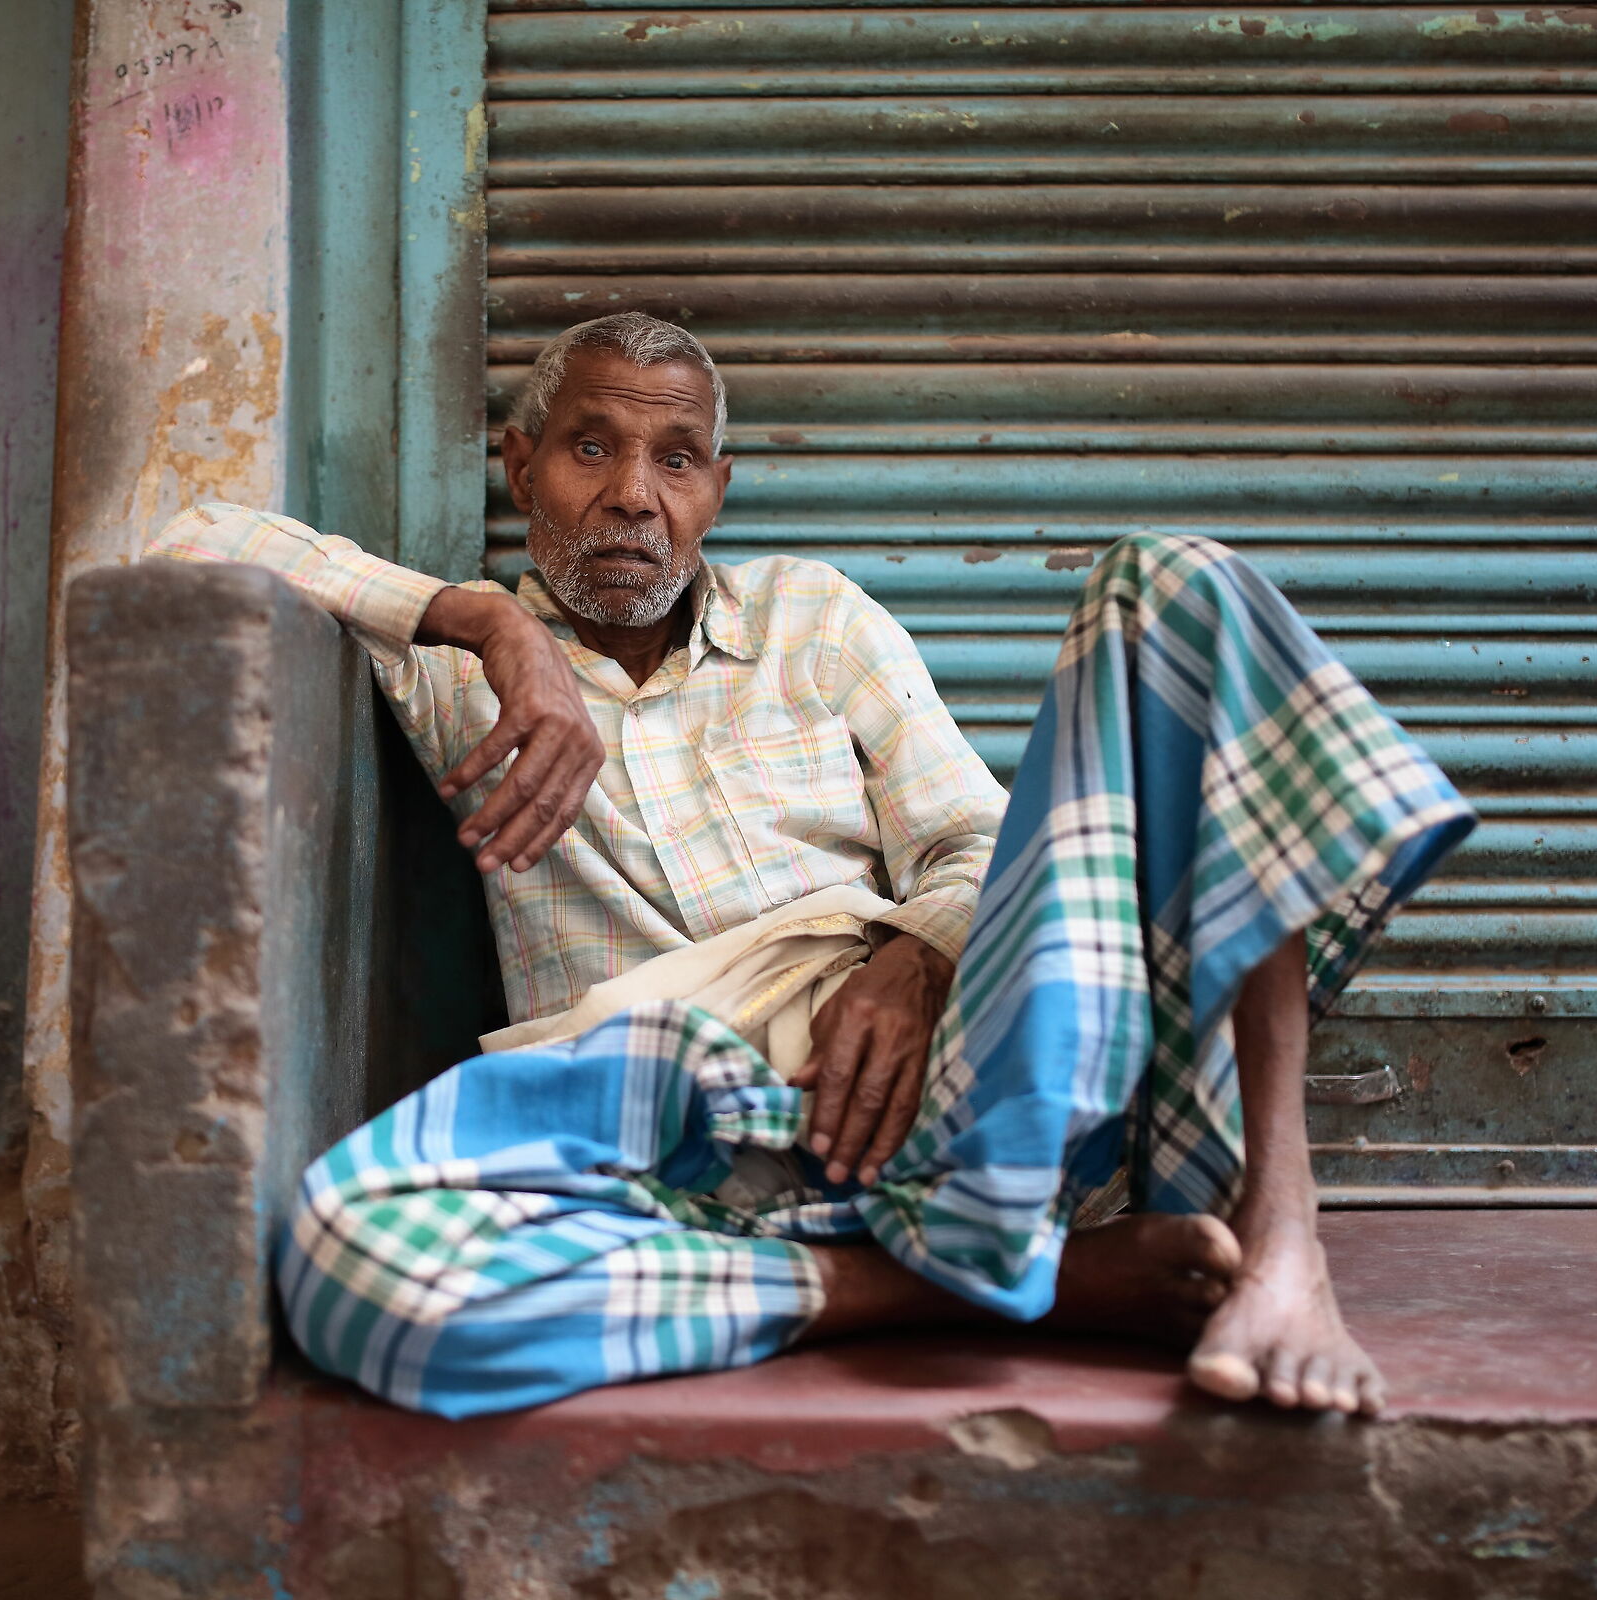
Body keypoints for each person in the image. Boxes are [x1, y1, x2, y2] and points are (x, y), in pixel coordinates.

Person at [145, 313, 1475, 1423]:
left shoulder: (817, 620)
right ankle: (988, 1283)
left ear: (718, 488)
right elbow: (179, 534)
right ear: (519, 466)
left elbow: (966, 839)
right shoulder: (456, 667)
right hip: (684, 1133)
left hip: (946, 1088)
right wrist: (481, 617)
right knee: (344, 1265)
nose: (632, 497)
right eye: (590, 449)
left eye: (676, 460)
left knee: (1172, 582)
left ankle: (1285, 1241)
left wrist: (916, 960)